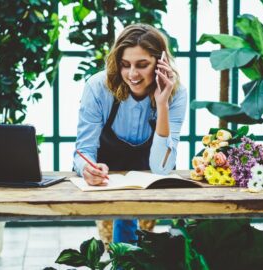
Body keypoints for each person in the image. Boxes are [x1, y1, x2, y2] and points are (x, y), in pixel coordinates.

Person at [73, 23, 187, 245]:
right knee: (124, 229)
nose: (132, 74)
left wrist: (162, 104)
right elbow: (83, 150)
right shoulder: (97, 87)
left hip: (150, 173)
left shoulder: (176, 93)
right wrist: (87, 167)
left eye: (142, 65)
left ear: (160, 63)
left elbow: (161, 167)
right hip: (109, 176)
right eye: (125, 65)